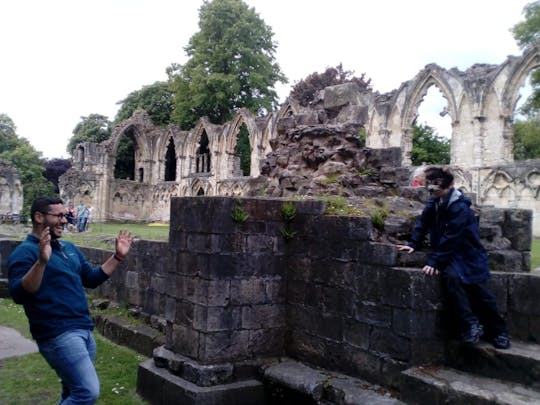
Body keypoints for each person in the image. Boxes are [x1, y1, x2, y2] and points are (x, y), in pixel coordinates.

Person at [8, 196, 133, 404]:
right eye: (58, 216)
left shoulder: (68, 248)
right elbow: (20, 294)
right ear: (39, 217)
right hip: (57, 333)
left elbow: (92, 279)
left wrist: (118, 257)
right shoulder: (25, 253)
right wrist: (41, 262)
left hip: (84, 329)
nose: (65, 221)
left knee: (72, 392)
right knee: (87, 392)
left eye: (65, 215)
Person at [396, 167, 510, 349]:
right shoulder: (434, 201)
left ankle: (498, 332)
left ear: (451, 186)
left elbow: (452, 237)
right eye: (431, 189)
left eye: (437, 189)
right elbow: (423, 223)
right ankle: (470, 325)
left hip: (468, 254)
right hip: (451, 255)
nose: (433, 193)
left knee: (482, 292)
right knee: (453, 281)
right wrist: (413, 244)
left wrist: (435, 261)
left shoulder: (460, 207)